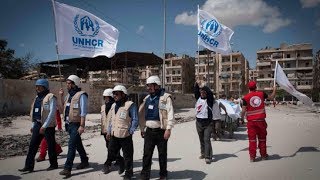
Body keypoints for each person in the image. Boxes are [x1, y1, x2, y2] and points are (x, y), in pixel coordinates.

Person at [139, 76, 174, 180]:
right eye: (147, 86)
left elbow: (170, 113)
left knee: (162, 154)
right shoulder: (147, 98)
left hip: (161, 131)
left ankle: (163, 175)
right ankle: (145, 174)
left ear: (156, 85)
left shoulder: (166, 97)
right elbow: (142, 114)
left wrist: (168, 129)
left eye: (149, 86)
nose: (148, 88)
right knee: (147, 154)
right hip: (149, 131)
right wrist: (142, 128)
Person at [18, 79, 58, 172]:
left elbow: (52, 113)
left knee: (51, 146)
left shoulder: (51, 97)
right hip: (37, 123)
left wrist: (44, 126)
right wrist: (33, 125)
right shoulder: (37, 98)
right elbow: (35, 112)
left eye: (39, 86)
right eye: (36, 86)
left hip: (48, 126)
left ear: (44, 87)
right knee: (32, 146)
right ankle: (28, 166)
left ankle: (53, 164)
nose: (37, 88)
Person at [104, 85, 139, 180]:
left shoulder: (130, 105)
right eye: (113, 94)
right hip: (114, 134)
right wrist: (109, 131)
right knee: (111, 151)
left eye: (116, 94)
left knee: (128, 155)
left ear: (123, 94)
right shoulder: (114, 105)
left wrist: (131, 131)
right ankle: (120, 163)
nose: (114, 96)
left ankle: (128, 173)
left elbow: (135, 119)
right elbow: (112, 120)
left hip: (125, 135)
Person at [58, 75, 89, 178]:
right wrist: (61, 96)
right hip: (69, 124)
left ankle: (67, 168)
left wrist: (82, 125)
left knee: (71, 145)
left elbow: (83, 112)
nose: (67, 85)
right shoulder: (68, 96)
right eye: (67, 83)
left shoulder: (81, 95)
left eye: (69, 83)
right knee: (77, 144)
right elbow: (63, 107)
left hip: (76, 124)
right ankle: (84, 160)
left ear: (75, 84)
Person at [241, 81, 276, 162]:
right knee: (262, 139)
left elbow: (243, 110)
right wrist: (274, 90)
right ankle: (263, 155)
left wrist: (242, 119)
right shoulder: (261, 94)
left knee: (252, 140)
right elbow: (271, 97)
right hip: (261, 121)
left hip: (251, 122)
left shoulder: (245, 98)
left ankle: (252, 157)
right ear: (256, 87)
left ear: (248, 88)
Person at [100, 88, 124, 174]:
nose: (106, 99)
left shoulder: (114, 106)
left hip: (112, 131)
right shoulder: (103, 107)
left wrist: (110, 131)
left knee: (111, 148)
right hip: (104, 131)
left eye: (107, 97)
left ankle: (108, 163)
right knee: (109, 147)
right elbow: (103, 119)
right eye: (104, 97)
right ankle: (119, 160)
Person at [194, 80, 214, 164]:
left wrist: (203, 86)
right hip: (198, 122)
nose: (202, 93)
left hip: (208, 123)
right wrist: (197, 84)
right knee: (201, 139)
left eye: (203, 92)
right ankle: (203, 153)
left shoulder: (209, 100)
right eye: (201, 92)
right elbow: (195, 90)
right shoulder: (198, 98)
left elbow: (209, 92)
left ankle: (208, 157)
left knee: (206, 139)